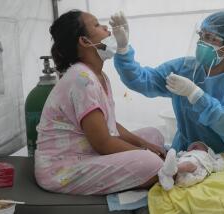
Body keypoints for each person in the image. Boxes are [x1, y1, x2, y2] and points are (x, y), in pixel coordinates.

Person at [34, 10, 166, 195]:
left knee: (154, 136)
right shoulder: (82, 79)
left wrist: (145, 144)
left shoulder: (98, 75)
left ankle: (146, 161)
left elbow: (109, 123)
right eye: (97, 25)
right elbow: (103, 143)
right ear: (85, 41)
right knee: (152, 163)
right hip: (62, 168)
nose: (106, 28)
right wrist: (145, 151)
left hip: (88, 151)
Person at [110, 11, 224, 161]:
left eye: (210, 38)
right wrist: (123, 50)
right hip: (187, 153)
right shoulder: (184, 68)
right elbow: (142, 81)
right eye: (202, 35)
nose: (202, 42)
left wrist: (196, 95)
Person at [158, 141, 224, 191]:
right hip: (181, 172)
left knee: (188, 165)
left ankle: (169, 171)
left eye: (198, 145)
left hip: (194, 172)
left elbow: (219, 166)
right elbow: (175, 157)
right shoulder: (184, 153)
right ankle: (168, 178)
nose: (194, 145)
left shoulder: (208, 157)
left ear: (207, 150)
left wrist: (219, 157)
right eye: (192, 146)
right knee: (178, 166)